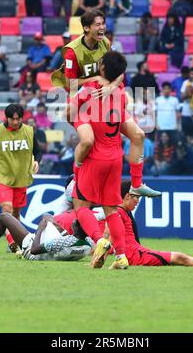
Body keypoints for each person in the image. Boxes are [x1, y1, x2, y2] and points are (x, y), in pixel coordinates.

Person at [51, 11, 162, 200]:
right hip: (82, 103)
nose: (102, 27)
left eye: (103, 23)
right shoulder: (72, 52)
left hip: (105, 100)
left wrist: (111, 86)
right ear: (86, 28)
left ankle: (136, 185)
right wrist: (94, 78)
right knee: (87, 142)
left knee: (139, 135)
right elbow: (69, 85)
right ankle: (76, 183)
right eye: (97, 24)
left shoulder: (106, 43)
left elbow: (119, 71)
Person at [70, 52, 158, 270]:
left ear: (101, 69)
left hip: (95, 158)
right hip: (115, 158)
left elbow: (70, 110)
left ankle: (99, 240)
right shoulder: (121, 93)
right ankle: (121, 257)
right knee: (112, 210)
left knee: (80, 206)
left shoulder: (90, 91)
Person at [118, 180, 193, 267]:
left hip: (137, 253)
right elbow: (108, 235)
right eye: (136, 197)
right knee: (179, 258)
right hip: (135, 256)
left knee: (179, 258)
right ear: (127, 196)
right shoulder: (119, 213)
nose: (138, 201)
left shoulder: (121, 212)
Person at [0, 104, 42, 252]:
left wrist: (37, 160)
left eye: (19, 119)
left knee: (16, 214)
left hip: (21, 177)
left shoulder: (29, 131)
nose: (16, 122)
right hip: (3, 177)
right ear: (7, 118)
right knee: (7, 210)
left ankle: (17, 242)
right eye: (13, 119)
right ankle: (12, 243)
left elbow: (38, 151)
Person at [0, 212, 92, 261]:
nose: (74, 221)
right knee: (47, 216)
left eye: (76, 221)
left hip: (32, 250)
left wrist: (41, 228)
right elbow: (69, 240)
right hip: (51, 250)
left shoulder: (62, 243)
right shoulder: (87, 246)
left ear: (76, 228)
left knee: (3, 217)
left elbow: (34, 250)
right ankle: (48, 222)